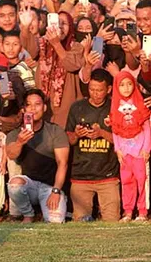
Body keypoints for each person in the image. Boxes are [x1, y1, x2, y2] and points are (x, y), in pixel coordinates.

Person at [6, 89, 70, 223]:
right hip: (29, 185)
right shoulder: (16, 133)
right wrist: (20, 142)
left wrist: (56, 191)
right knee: (14, 184)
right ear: (23, 109)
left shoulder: (55, 131)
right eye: (28, 105)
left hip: (50, 186)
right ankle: (28, 214)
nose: (33, 108)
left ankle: (46, 209)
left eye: (37, 104)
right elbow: (11, 154)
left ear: (45, 107)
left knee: (55, 221)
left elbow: (62, 163)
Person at [66, 69, 120, 222]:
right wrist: (77, 134)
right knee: (81, 223)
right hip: (81, 176)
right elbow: (69, 139)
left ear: (108, 89)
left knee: (112, 221)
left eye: (99, 90)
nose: (95, 94)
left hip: (108, 176)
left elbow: (123, 140)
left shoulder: (115, 107)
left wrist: (102, 133)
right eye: (91, 89)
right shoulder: (77, 107)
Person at [109, 71, 150, 222]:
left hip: (139, 152)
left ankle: (142, 211)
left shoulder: (140, 103)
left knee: (142, 181)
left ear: (134, 85)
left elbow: (147, 128)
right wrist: (118, 149)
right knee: (127, 181)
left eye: (129, 84)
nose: (126, 88)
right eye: (121, 85)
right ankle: (128, 211)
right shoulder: (115, 105)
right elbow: (115, 129)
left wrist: (146, 149)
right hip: (125, 153)